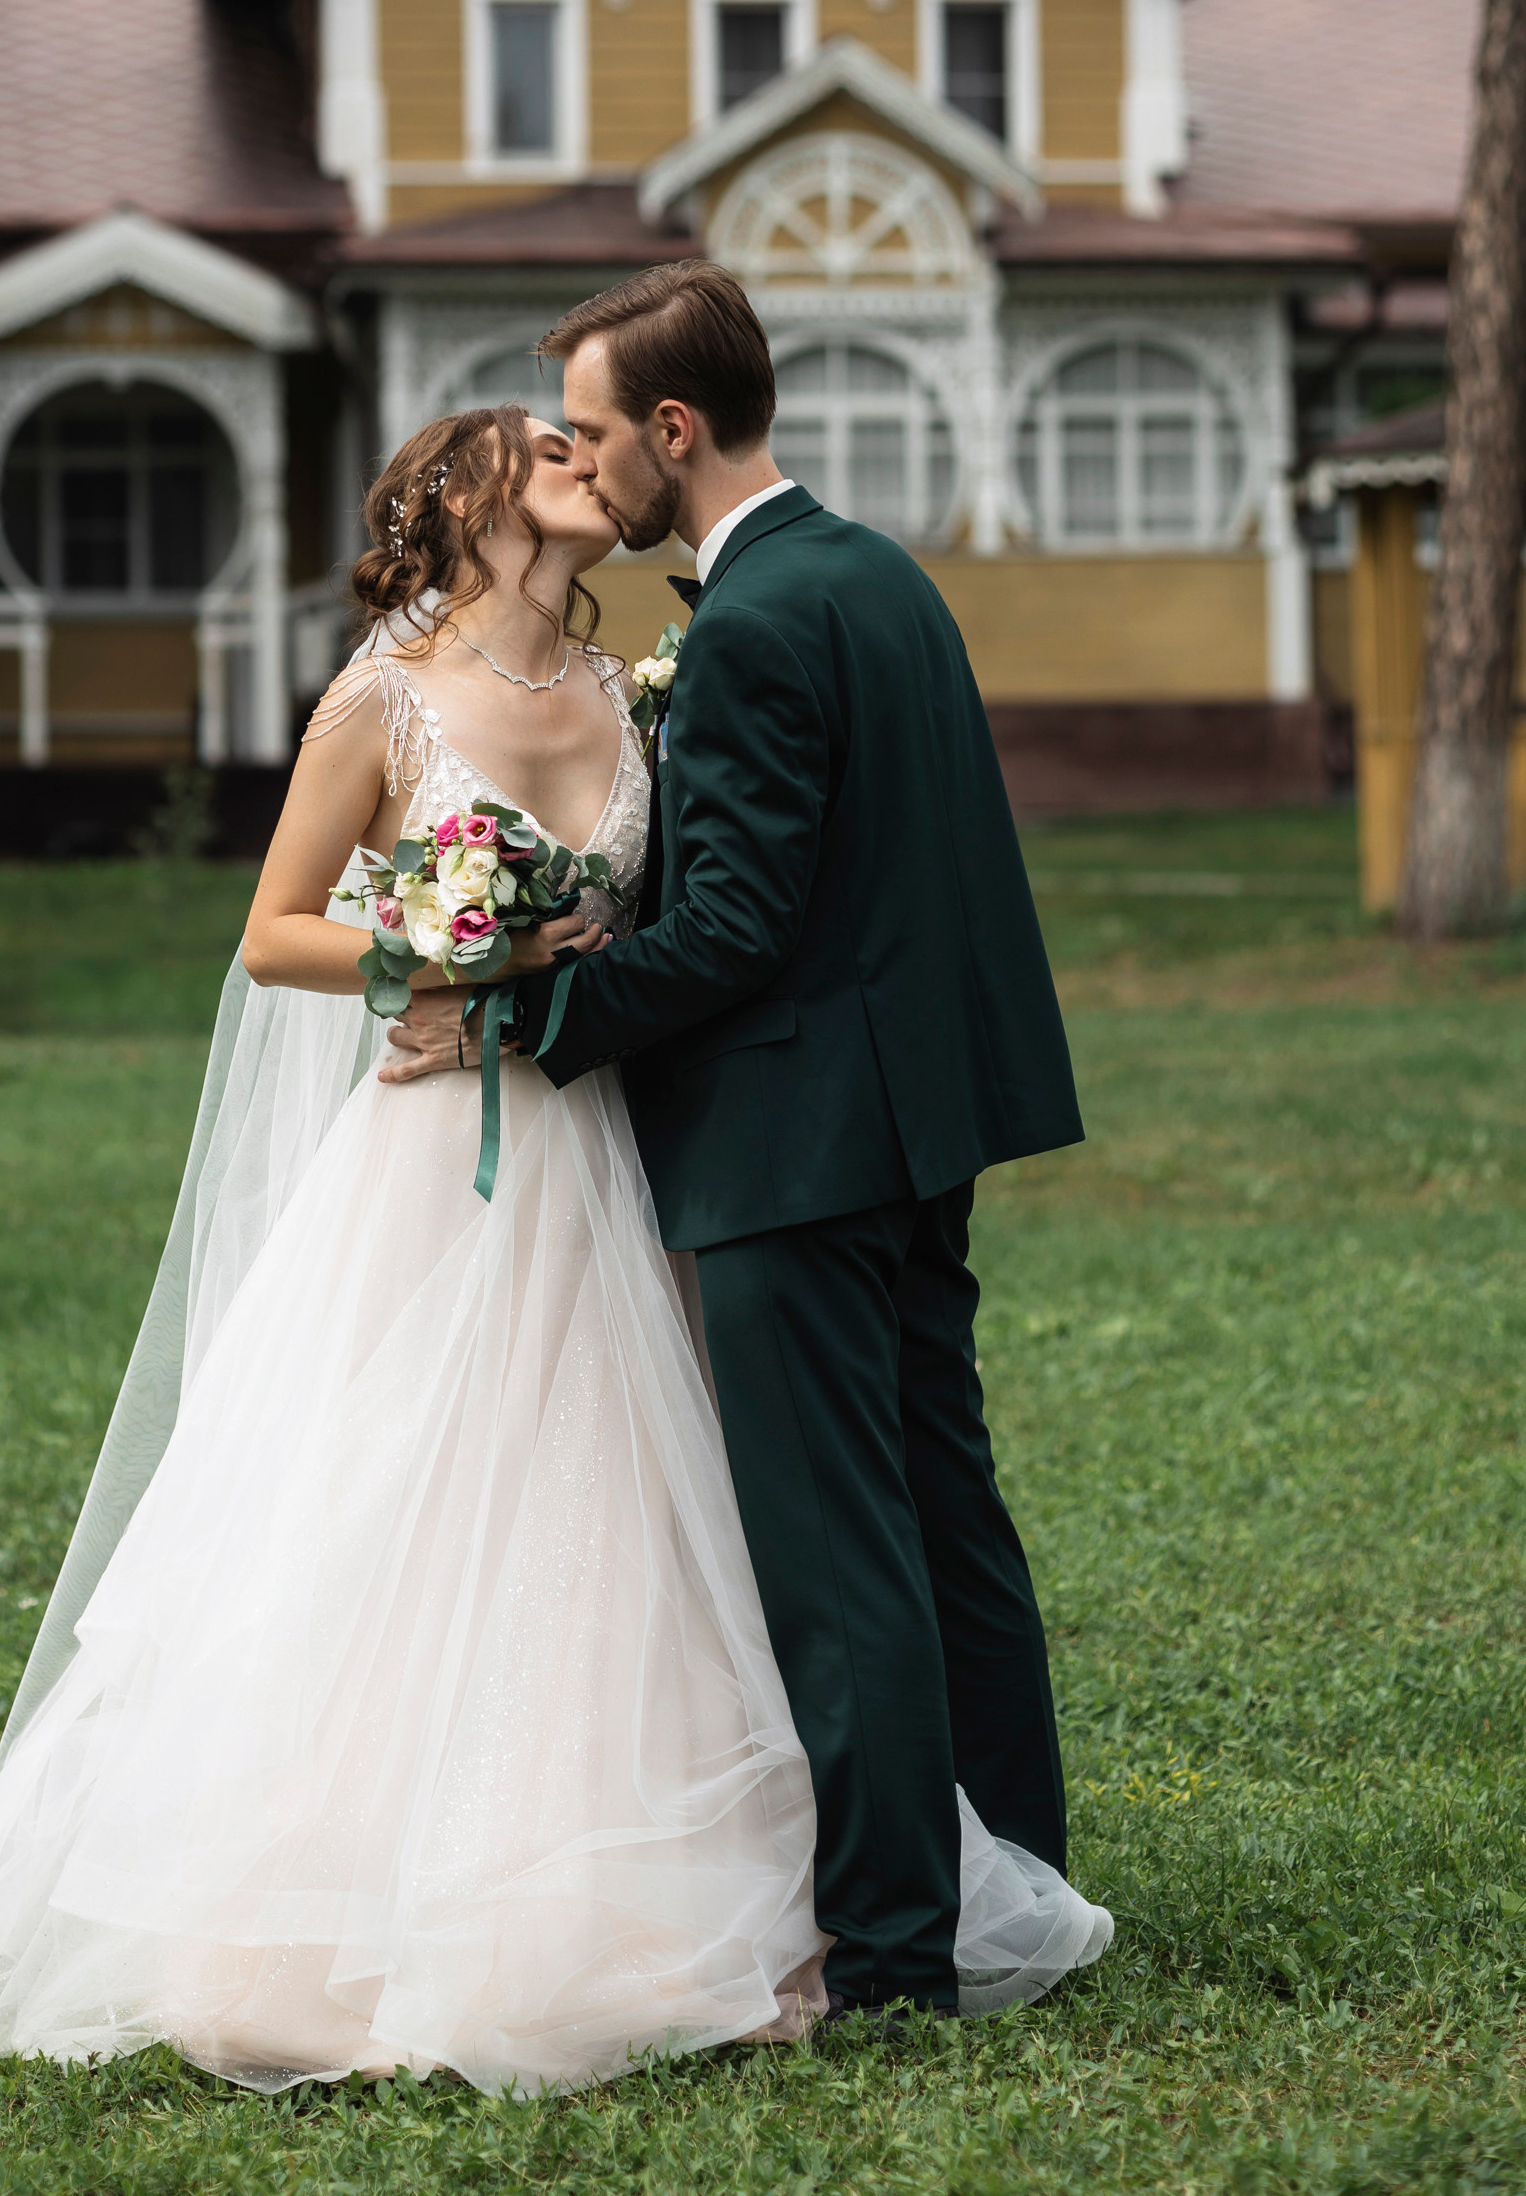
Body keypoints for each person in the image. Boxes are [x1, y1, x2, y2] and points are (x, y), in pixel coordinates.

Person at [0, 396, 1107, 2096]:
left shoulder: (625, 695)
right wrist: (436, 960)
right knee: (400, 1491)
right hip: (437, 1156)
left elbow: (688, 913)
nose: (586, 462)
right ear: (466, 499)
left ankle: (688, 1886)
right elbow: (274, 930)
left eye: (589, 440)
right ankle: (354, 1900)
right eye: (547, 447)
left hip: (608, 1140)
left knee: (631, 1492)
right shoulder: (379, 700)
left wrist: (558, 978)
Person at [383, 267, 1106, 2027]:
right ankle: (1017, 1881)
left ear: (676, 431)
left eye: (597, 429)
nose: (587, 463)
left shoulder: (761, 622)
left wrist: (512, 1019)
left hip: (799, 1136)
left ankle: (888, 1955)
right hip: (923, 1117)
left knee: (838, 1553)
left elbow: (732, 932)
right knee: (945, 1516)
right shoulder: (873, 574)